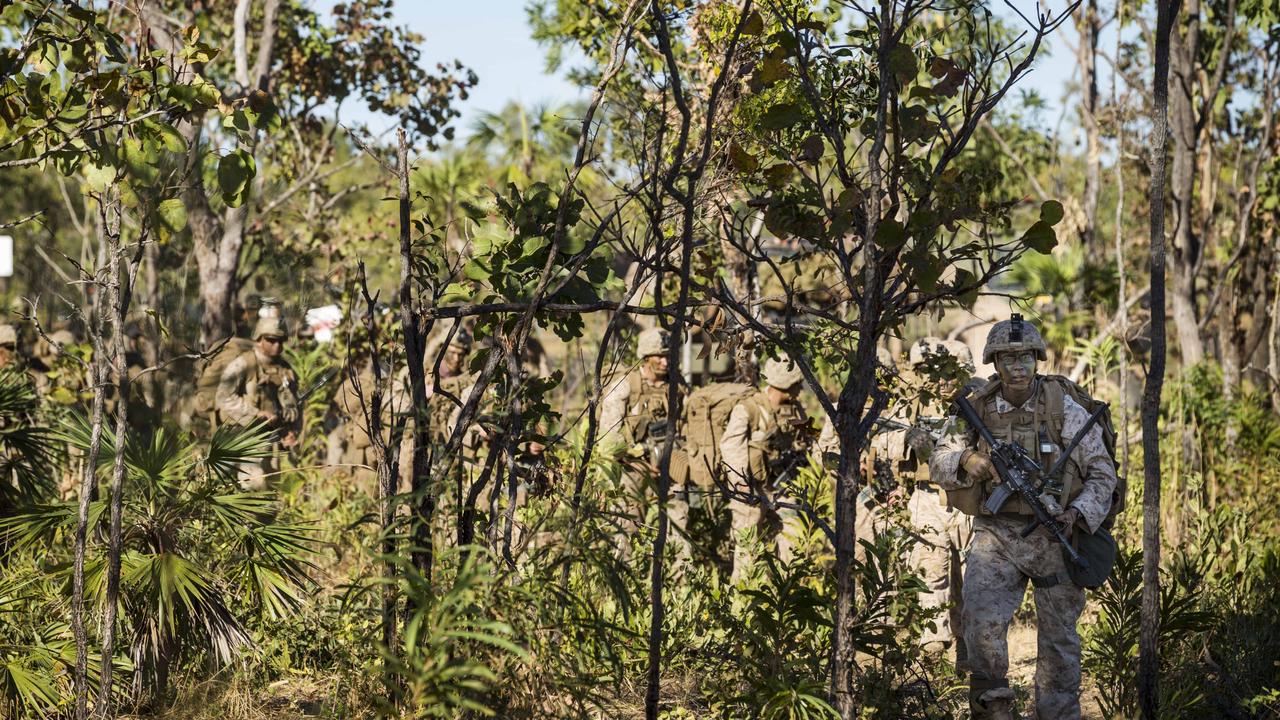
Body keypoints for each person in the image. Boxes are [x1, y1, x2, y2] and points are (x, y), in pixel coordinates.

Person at [929, 315, 1117, 720]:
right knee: (980, 625)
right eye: (1007, 359)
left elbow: (1103, 472)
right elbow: (937, 460)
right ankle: (994, 708)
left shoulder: (1061, 406)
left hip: (1055, 535)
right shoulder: (975, 407)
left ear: (1037, 360)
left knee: (1059, 641)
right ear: (994, 363)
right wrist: (966, 457)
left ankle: (1058, 713)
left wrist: (1077, 514)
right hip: (996, 537)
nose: (1017, 368)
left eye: (1025, 359)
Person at [902, 337, 978, 658]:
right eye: (932, 372)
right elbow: (886, 438)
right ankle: (933, 647)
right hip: (927, 497)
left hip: (969, 498)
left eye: (951, 373)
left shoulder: (980, 397)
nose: (941, 380)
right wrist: (909, 437)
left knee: (974, 576)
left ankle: (970, 652)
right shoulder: (912, 400)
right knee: (930, 570)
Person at [598, 327, 693, 556]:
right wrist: (636, 459)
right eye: (659, 356)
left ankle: (679, 585)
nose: (664, 361)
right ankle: (620, 582)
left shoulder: (678, 386)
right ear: (646, 357)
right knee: (626, 531)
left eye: (669, 356)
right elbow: (608, 437)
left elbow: (689, 424)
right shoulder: (626, 384)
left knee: (680, 528)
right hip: (632, 469)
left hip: (670, 467)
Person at [720, 356, 812, 582]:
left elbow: (807, 440)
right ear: (784, 382)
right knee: (747, 549)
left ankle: (784, 589)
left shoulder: (795, 409)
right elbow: (731, 445)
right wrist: (741, 484)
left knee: (792, 540)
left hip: (783, 487)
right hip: (751, 487)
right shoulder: (749, 409)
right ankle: (741, 600)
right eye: (796, 384)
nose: (800, 390)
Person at [215, 317, 300, 489]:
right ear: (259, 339)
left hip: (273, 440)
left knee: (271, 493)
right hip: (245, 437)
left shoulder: (286, 370)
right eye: (271, 340)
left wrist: (291, 431)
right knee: (253, 487)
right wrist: (256, 414)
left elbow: (294, 406)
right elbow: (223, 397)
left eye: (281, 341)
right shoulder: (244, 363)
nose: (277, 345)